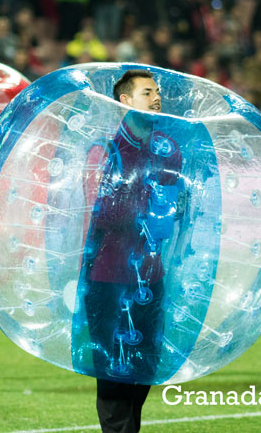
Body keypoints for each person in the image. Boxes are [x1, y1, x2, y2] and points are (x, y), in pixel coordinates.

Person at [72, 69, 182, 433]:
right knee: (113, 369)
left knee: (145, 367)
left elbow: (175, 204)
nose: (156, 97)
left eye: (157, 91)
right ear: (125, 101)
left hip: (152, 276)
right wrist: (147, 207)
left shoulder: (169, 148)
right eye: (147, 92)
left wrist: (172, 208)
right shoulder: (105, 150)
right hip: (107, 277)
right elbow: (100, 211)